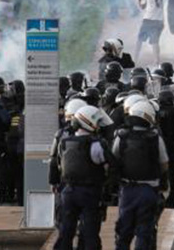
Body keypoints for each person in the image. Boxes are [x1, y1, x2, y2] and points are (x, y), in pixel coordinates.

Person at [112, 100, 168, 250]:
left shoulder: (121, 136)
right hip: (149, 189)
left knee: (123, 230)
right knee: (144, 231)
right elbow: (164, 164)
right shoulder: (155, 138)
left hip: (127, 189)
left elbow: (113, 159)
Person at [55, 105, 112, 250]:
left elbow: (59, 164)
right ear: (89, 122)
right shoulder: (96, 144)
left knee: (66, 230)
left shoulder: (65, 142)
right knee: (90, 231)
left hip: (68, 191)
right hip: (89, 192)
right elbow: (108, 164)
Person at [134, 0, 164, 65]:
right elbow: (160, 4)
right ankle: (156, 61)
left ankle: (135, 59)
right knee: (155, 42)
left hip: (148, 20)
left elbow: (142, 6)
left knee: (139, 40)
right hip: (159, 21)